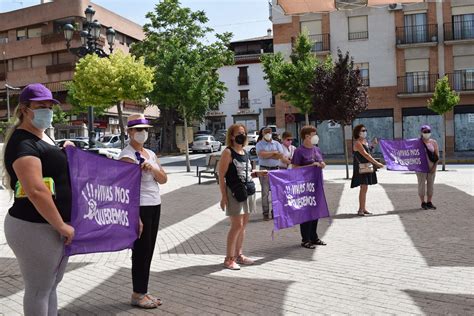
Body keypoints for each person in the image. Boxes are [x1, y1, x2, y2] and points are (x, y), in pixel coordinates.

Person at [2, 83, 75, 315]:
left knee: (50, 287)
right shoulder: (23, 142)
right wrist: (61, 225)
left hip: (49, 226)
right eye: (40, 105)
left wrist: (65, 149)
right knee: (38, 290)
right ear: (24, 109)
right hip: (34, 227)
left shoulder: (42, 138)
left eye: (49, 105)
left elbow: (50, 169)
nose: (47, 110)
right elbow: (36, 190)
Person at [119, 114, 167, 309]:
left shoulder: (151, 154)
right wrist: (135, 216)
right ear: (129, 132)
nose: (142, 133)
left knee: (148, 250)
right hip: (139, 207)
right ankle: (137, 294)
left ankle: (144, 291)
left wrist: (153, 170)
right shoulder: (127, 156)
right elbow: (125, 190)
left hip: (154, 204)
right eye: (138, 129)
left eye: (145, 129)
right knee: (140, 251)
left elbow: (163, 179)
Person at [218, 124, 258, 270]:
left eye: (244, 132)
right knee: (237, 225)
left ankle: (239, 255)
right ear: (232, 136)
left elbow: (245, 172)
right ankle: (228, 259)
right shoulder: (228, 152)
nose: (242, 135)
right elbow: (221, 175)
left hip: (247, 191)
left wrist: (256, 173)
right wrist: (223, 197)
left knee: (244, 225)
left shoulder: (245, 152)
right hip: (234, 193)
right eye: (239, 133)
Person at [291, 125, 327, 249]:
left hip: (317, 184)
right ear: (307, 136)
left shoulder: (317, 149)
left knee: (315, 212)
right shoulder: (299, 151)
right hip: (304, 186)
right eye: (313, 134)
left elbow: (322, 162)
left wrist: (322, 164)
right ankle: (305, 239)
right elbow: (294, 168)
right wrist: (310, 165)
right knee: (306, 213)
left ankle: (314, 237)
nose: (316, 137)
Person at [350, 124, 384, 216]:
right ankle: (361, 209)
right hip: (361, 167)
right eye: (362, 130)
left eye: (365, 130)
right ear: (358, 132)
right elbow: (365, 155)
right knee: (363, 188)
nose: (364, 132)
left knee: (365, 188)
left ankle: (363, 208)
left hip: (366, 167)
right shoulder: (357, 143)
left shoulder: (365, 142)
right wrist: (376, 163)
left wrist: (373, 145)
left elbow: (368, 152)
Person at [256, 126, 285, 220]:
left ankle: (274, 212)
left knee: (275, 193)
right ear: (263, 134)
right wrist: (273, 153)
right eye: (266, 132)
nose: (268, 134)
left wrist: (267, 154)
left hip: (275, 169)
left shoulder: (277, 143)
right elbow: (261, 155)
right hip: (264, 170)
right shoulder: (259, 144)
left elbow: (280, 156)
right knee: (265, 193)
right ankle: (265, 213)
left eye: (269, 132)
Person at [416, 125, 439, 210]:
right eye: (425, 132)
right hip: (421, 168)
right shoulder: (417, 142)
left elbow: (437, 156)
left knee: (431, 185)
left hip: (431, 166)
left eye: (428, 131)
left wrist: (434, 167)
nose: (427, 133)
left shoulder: (433, 142)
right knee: (421, 185)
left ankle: (429, 202)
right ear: (421, 132)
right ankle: (423, 202)